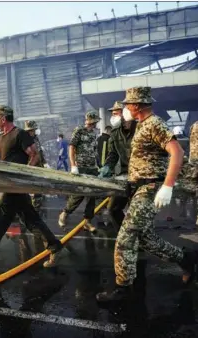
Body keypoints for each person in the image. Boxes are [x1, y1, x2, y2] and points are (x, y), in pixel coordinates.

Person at [96, 87, 198, 302]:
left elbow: (177, 152)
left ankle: (122, 287)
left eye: (126, 105)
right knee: (145, 238)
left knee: (126, 237)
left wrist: (167, 186)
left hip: (150, 188)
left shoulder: (154, 124)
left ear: (136, 105)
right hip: (140, 187)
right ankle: (186, 259)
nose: (124, 109)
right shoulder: (142, 125)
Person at [0, 105, 63, 271]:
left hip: (15, 185)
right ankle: (55, 247)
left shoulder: (20, 134)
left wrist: (23, 177)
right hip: (8, 185)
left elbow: (34, 155)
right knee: (31, 220)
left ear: (3, 118)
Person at [58, 111, 100, 233]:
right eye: (94, 121)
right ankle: (65, 213)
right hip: (80, 167)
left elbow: (94, 151)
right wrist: (73, 165)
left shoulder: (93, 133)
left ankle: (87, 222)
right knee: (79, 194)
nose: (95, 124)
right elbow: (72, 147)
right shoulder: (79, 130)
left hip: (92, 168)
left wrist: (99, 166)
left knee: (92, 196)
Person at [98, 101, 137, 231]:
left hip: (141, 176)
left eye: (116, 113)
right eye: (112, 114)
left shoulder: (141, 128)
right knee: (113, 209)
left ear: (126, 113)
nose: (114, 116)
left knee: (136, 212)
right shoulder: (115, 132)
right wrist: (107, 166)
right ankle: (125, 235)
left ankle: (138, 239)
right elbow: (113, 154)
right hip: (124, 175)